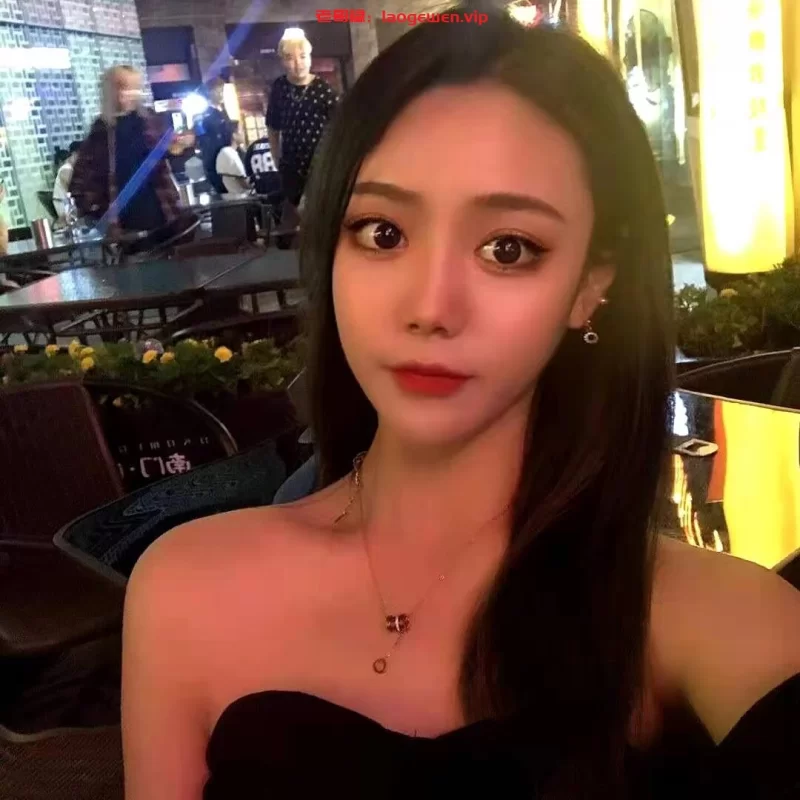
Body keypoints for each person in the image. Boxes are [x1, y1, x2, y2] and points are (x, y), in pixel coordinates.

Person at [122, 9, 800, 800]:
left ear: (591, 284)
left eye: (507, 248)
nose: (431, 307)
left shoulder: (697, 615)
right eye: (382, 233)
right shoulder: (184, 589)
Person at [70, 65, 181, 233]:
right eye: (122, 87)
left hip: (162, 212)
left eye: (133, 87)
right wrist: (98, 213)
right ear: (111, 92)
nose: (129, 94)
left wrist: (178, 145)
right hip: (123, 223)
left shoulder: (150, 121)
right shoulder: (101, 131)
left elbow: (168, 155)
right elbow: (80, 183)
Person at [266, 28, 337, 212]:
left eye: (303, 56)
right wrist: (277, 159)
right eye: (290, 58)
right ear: (282, 61)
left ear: (310, 57)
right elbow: (273, 126)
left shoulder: (323, 89)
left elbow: (340, 129)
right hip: (291, 169)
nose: (298, 64)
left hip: (321, 168)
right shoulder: (279, 87)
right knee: (297, 218)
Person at [196, 77, 235, 196]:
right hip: (216, 163)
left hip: (227, 161)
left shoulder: (222, 112)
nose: (221, 94)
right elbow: (206, 142)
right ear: (210, 92)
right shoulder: (205, 115)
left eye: (222, 90)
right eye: (218, 91)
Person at [214, 125, 250, 197]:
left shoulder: (227, 152)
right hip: (242, 197)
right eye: (241, 130)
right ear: (234, 135)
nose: (244, 133)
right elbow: (243, 183)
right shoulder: (228, 153)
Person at [52, 140, 81, 220]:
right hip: (67, 210)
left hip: (71, 208)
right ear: (75, 154)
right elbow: (77, 189)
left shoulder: (71, 168)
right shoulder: (66, 169)